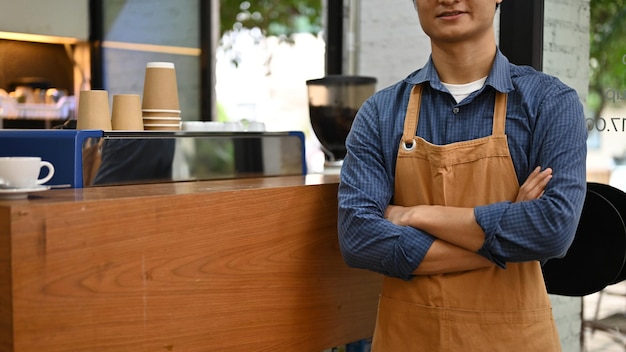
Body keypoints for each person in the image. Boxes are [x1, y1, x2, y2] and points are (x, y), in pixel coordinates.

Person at [337, 0, 588, 350]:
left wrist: (413, 214)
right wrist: (506, 235)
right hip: (410, 339)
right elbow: (358, 238)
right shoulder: (380, 113)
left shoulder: (549, 102)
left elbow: (552, 229)